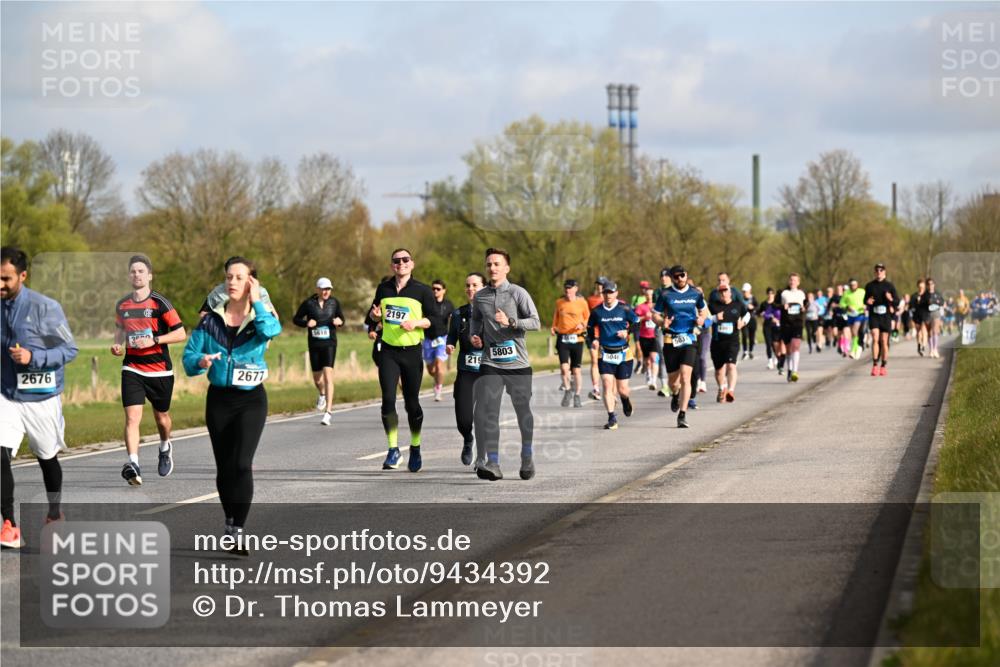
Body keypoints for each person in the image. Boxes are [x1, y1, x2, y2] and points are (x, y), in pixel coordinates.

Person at [183, 257, 280, 555]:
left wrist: (258, 301)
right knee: (225, 468)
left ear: (251, 281)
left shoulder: (259, 318)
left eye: (240, 277)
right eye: (229, 277)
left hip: (251, 399)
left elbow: (271, 332)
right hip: (220, 400)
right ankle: (229, 520)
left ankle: (238, 529)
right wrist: (200, 362)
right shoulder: (210, 321)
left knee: (241, 464)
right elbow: (188, 360)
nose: (233, 282)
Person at [0, 247, 78, 549]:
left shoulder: (45, 308)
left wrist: (34, 356)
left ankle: (55, 512)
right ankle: (9, 523)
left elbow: (69, 350)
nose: (0, 285)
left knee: (47, 458)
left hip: (41, 396)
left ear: (23, 275)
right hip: (6, 394)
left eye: (6, 279)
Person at [112, 255, 187, 485]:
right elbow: (119, 332)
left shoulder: (160, 303)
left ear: (149, 276)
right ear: (129, 276)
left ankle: (165, 447)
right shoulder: (122, 305)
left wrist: (154, 339)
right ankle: (133, 464)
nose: (137, 275)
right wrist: (116, 345)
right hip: (132, 368)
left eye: (141, 271)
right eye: (133, 271)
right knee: (132, 418)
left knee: (161, 418)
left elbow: (181, 333)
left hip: (159, 370)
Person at [470, 248, 540, 481]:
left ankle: (527, 455)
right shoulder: (480, 296)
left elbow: (536, 322)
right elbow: (476, 319)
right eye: (489, 264)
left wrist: (510, 321)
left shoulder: (518, 293)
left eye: (497, 264)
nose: (492, 268)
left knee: (523, 412)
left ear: (506, 268)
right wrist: (475, 336)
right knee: (490, 410)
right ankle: (493, 463)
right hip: (491, 362)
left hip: (518, 364)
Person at [368, 249, 436, 472]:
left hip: (411, 352)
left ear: (412, 264)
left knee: (412, 403)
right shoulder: (384, 288)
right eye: (396, 261)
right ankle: (393, 449)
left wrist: (415, 323)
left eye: (405, 260)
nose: (401, 263)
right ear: (392, 266)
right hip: (388, 351)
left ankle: (415, 447)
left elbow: (435, 321)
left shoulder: (423, 291)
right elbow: (373, 314)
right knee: (388, 399)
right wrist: (375, 317)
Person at [652, 265, 707, 429]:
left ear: (686, 275)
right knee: (673, 383)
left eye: (682, 275)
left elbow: (703, 311)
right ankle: (675, 394)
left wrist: (701, 320)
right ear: (672, 278)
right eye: (676, 277)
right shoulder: (666, 294)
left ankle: (682, 415)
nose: (680, 278)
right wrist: (663, 322)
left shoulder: (695, 293)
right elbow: (654, 314)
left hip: (689, 338)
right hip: (671, 339)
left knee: (685, 377)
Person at [292, 277, 345, 426]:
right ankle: (322, 394)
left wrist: (339, 322)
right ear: (318, 289)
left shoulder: (334, 303)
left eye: (328, 289)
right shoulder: (309, 304)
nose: (326, 291)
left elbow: (342, 318)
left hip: (330, 343)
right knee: (317, 379)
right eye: (323, 289)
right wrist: (306, 323)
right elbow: (296, 319)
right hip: (314, 344)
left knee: (328, 376)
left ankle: (328, 412)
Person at [446, 272, 486, 466]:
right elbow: (452, 335)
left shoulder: (492, 312)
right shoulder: (458, 313)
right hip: (466, 371)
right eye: (468, 285)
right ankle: (468, 439)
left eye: (475, 285)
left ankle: (482, 456)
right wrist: (450, 344)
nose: (470, 289)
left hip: (487, 371)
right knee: (463, 418)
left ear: (483, 288)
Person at [588, 281, 639, 430]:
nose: (608, 295)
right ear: (602, 294)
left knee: (622, 389)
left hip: (623, 353)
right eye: (606, 292)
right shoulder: (597, 311)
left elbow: (636, 322)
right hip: (605, 353)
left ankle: (625, 400)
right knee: (607, 384)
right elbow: (590, 327)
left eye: (611, 292)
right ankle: (611, 417)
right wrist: (594, 340)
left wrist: (627, 332)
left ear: (616, 293)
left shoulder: (624, 308)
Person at [550, 279, 590, 408]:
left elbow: (588, 317)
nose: (567, 290)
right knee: (564, 367)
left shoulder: (582, 303)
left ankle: (577, 395)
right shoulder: (559, 302)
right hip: (563, 338)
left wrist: (582, 324)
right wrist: (553, 327)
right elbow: (556, 318)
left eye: (570, 288)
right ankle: (568, 390)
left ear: (575, 289)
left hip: (577, 339)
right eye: (566, 288)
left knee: (576, 370)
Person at [710, 285, 747, 402]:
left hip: (732, 341)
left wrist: (743, 322)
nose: (723, 294)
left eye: (725, 292)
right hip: (717, 342)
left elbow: (748, 314)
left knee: (731, 366)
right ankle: (722, 388)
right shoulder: (713, 305)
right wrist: (715, 317)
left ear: (730, 293)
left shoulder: (738, 305)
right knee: (719, 370)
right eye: (721, 292)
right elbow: (704, 319)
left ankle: (730, 391)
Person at [864, 262, 899, 376]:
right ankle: (874, 365)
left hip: (886, 316)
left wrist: (890, 299)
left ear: (884, 272)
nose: (879, 272)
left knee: (884, 341)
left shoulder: (889, 286)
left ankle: (883, 365)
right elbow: (865, 300)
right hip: (874, 315)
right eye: (877, 270)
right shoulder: (869, 286)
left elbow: (897, 301)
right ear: (874, 272)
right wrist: (867, 302)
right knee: (875, 338)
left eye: (881, 270)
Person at [424, 279, 454, 402]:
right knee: (431, 370)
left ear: (444, 290)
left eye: (438, 289)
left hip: (442, 338)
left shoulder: (448, 304)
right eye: (433, 289)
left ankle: (438, 390)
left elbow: (454, 320)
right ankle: (436, 379)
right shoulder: (427, 304)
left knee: (438, 363)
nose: (435, 291)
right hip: (428, 339)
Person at [780, 274, 807, 382]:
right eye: (791, 280)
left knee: (795, 345)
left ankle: (795, 371)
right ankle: (790, 369)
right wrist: (783, 307)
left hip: (797, 323)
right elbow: (778, 305)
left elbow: (805, 305)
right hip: (786, 323)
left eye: (795, 280)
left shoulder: (801, 294)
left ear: (798, 282)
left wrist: (804, 308)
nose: (792, 282)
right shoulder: (784, 294)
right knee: (788, 349)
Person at [633, 285, 660, 390]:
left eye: (651, 295)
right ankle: (648, 374)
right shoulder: (641, 307)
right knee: (647, 360)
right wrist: (644, 317)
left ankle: (653, 380)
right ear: (645, 295)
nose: (649, 297)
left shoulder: (657, 306)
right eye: (647, 295)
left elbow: (662, 316)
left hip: (654, 336)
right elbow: (635, 319)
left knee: (654, 358)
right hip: (644, 336)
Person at [584, 278, 607, 400]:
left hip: (606, 334)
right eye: (598, 284)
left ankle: (609, 388)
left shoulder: (610, 300)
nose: (600, 287)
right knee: (594, 361)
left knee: (606, 362)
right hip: (592, 334)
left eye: (602, 285)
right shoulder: (590, 300)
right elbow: (586, 316)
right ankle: (596, 388)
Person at [842, 278, 867, 359]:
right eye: (851, 285)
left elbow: (868, 300)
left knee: (855, 330)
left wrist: (865, 305)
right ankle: (857, 345)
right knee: (852, 333)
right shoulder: (846, 293)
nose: (853, 286)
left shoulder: (862, 291)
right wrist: (847, 307)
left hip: (860, 314)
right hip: (850, 315)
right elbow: (841, 303)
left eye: (854, 285)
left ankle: (853, 350)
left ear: (857, 285)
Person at [921, 278, 945, 358]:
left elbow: (942, 302)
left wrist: (936, 302)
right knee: (929, 333)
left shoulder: (937, 293)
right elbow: (921, 304)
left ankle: (935, 349)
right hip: (927, 314)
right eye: (929, 284)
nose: (930, 286)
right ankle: (931, 349)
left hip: (936, 313)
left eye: (932, 284)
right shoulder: (925, 295)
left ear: (934, 285)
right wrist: (927, 303)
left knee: (935, 331)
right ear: (927, 286)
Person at [760, 288, 782, 370]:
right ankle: (770, 361)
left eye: (772, 293)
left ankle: (777, 358)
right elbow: (760, 312)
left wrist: (777, 319)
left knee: (775, 344)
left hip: (776, 326)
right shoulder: (764, 304)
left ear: (774, 294)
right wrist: (763, 314)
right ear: (767, 294)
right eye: (769, 293)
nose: (770, 295)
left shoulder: (777, 303)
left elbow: (781, 313)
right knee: (768, 344)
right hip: (767, 326)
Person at [740, 283, 758, 360]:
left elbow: (758, 307)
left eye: (746, 291)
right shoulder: (740, 299)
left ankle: (750, 351)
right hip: (743, 319)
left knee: (752, 337)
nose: (745, 293)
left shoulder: (753, 298)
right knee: (744, 335)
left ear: (750, 291)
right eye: (744, 291)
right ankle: (745, 352)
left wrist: (753, 307)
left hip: (752, 319)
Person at [913, 279, 928, 355]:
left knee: (924, 331)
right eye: (920, 286)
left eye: (922, 286)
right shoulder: (914, 295)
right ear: (918, 286)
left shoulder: (927, 295)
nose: (921, 288)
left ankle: (923, 347)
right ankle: (919, 345)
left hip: (925, 315)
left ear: (924, 286)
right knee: (919, 332)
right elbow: (911, 306)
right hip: (917, 315)